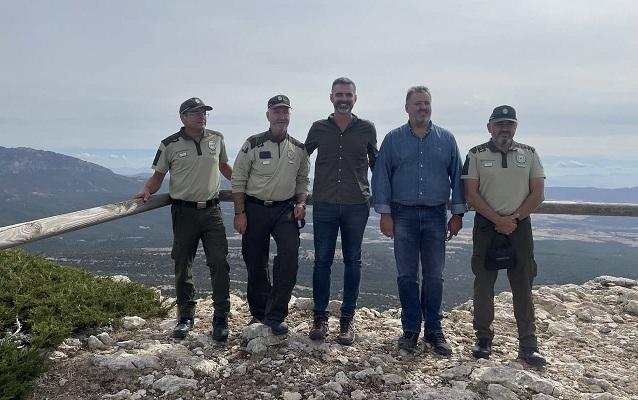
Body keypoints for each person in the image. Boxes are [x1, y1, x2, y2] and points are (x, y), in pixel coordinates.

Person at [372, 86, 466, 354]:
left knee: (435, 276)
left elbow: (457, 177)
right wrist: (385, 214)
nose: (422, 108)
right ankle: (410, 329)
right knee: (407, 275)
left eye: (426, 103)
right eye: (417, 104)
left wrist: (457, 214)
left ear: (431, 106)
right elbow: (381, 177)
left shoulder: (446, 139)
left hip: (437, 215)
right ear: (407, 108)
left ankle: (434, 330)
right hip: (403, 214)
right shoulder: (393, 139)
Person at [135, 97, 232, 341]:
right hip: (183, 212)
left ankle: (221, 318)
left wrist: (247, 186)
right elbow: (158, 175)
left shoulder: (217, 138)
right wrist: (147, 190)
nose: (202, 116)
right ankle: (185, 316)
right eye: (196, 112)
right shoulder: (169, 144)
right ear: (183, 117)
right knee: (182, 263)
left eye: (204, 112)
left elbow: (224, 167)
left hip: (212, 211)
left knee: (219, 263)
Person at [461, 105, 547, 367]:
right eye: (499, 124)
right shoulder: (475, 154)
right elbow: (471, 193)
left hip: (519, 227)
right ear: (489, 127)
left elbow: (538, 193)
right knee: (484, 283)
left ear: (516, 127)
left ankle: (528, 345)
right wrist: (498, 220)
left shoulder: (530, 153)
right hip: (487, 226)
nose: (504, 129)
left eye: (509, 124)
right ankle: (483, 340)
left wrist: (514, 219)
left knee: (523, 282)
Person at [304, 77, 378, 345]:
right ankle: (320, 318)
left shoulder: (366, 128)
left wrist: (383, 198)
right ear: (331, 97)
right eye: (339, 94)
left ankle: (347, 319)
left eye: (348, 94)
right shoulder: (318, 128)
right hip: (324, 201)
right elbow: (302, 159)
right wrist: (299, 194)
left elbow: (376, 164)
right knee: (321, 261)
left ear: (355, 98)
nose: (343, 98)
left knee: (353, 261)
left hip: (357, 203)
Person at [231, 94, 310, 335]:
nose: (281, 116)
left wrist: (301, 202)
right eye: (277, 111)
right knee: (255, 261)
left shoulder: (298, 148)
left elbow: (303, 180)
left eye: (285, 111)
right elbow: (238, 179)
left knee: (289, 257)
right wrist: (240, 213)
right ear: (268, 115)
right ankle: (258, 313)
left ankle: (276, 315)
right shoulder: (252, 144)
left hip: (285, 210)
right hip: (254, 208)